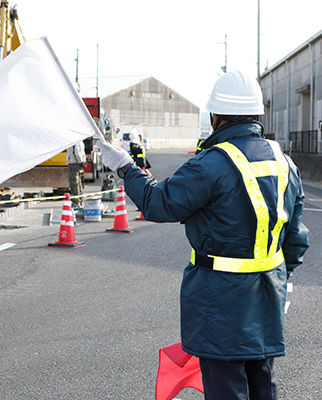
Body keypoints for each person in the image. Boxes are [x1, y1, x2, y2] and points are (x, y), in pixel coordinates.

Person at [97, 70, 309, 399]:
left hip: (219, 304)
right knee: (262, 386)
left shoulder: (211, 165)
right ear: (257, 115)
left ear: (215, 117)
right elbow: (295, 239)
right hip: (267, 295)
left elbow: (157, 204)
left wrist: (126, 167)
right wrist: (279, 277)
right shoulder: (285, 163)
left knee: (226, 387)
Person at [66, 141, 87, 209]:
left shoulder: (75, 141)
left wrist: (80, 161)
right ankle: (80, 201)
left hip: (74, 163)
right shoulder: (80, 141)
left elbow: (77, 153)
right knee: (79, 183)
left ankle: (76, 202)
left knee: (74, 183)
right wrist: (82, 162)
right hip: (78, 163)